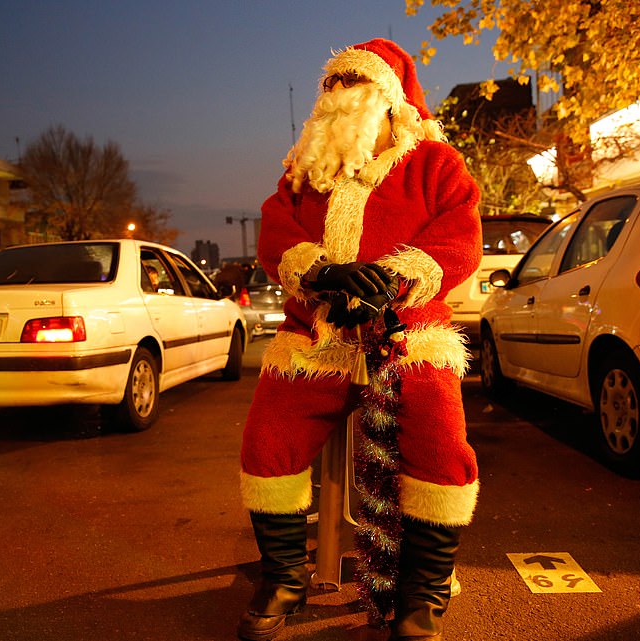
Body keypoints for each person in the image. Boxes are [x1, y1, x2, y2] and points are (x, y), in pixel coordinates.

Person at [237, 39, 481, 641]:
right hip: (319, 334)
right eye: (334, 89)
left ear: (390, 101)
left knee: (439, 435)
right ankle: (284, 576)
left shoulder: (435, 165)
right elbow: (276, 233)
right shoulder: (304, 171)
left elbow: (459, 239)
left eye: (357, 88)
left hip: (409, 334)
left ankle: (421, 595)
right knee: (268, 435)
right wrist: (318, 272)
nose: (341, 100)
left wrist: (398, 277)